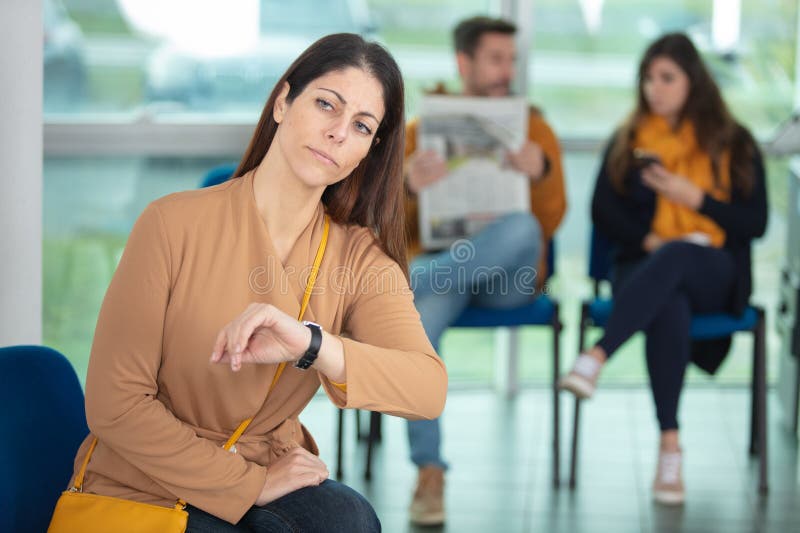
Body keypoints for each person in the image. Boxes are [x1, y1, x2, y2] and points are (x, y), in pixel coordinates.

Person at [68, 33, 447, 532]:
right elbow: (114, 406)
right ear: (283, 102)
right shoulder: (170, 224)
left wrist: (310, 344)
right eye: (325, 104)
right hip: (145, 480)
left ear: (369, 151)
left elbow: (427, 389)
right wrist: (247, 484)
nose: (337, 132)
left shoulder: (360, 258)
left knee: (349, 519)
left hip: (264, 465)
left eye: (360, 125)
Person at [559, 32, 768, 505]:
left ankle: (596, 357)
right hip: (646, 265)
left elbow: (754, 222)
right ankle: (670, 448)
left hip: (715, 271)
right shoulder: (629, 140)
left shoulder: (734, 141)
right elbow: (602, 212)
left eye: (667, 78)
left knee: (678, 259)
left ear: (693, 82)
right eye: (648, 78)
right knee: (667, 301)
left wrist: (695, 200)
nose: (655, 88)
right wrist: (650, 237)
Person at [403, 16, 567, 525]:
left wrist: (539, 173)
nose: (506, 70)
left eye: (511, 60)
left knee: (519, 226)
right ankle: (429, 470)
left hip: (506, 282)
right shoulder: (418, 132)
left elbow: (551, 219)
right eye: (495, 59)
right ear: (464, 63)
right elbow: (382, 222)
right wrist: (406, 186)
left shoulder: (534, 129)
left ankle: (402, 286)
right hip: (444, 273)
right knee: (419, 328)